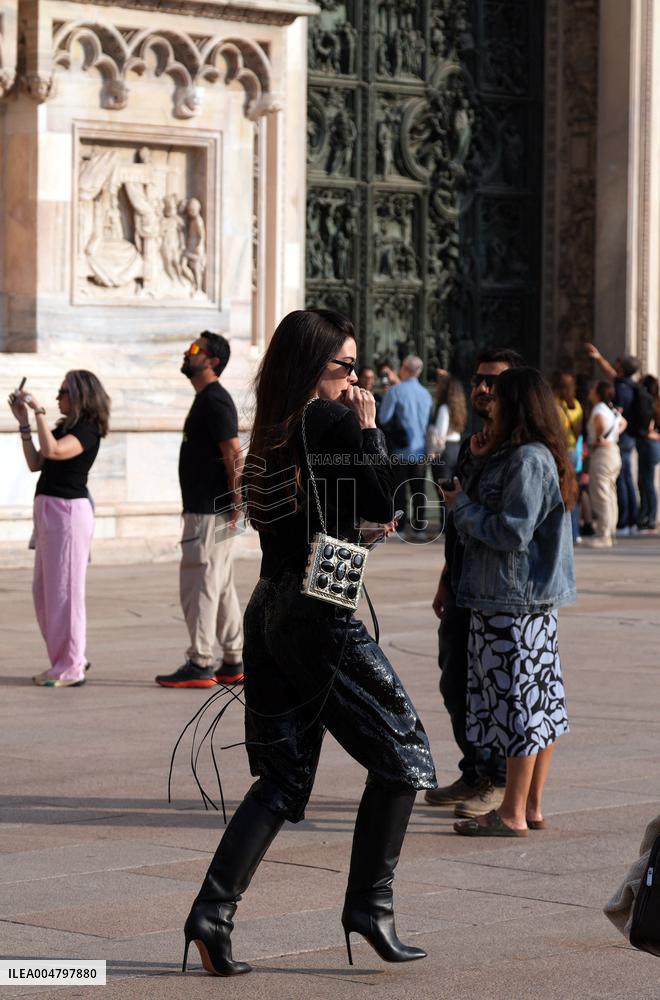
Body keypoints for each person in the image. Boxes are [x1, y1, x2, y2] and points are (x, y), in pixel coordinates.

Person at [181, 309, 436, 977]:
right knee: (404, 751)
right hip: (321, 612)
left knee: (283, 777)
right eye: (343, 366)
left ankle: (214, 910)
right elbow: (385, 498)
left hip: (274, 609)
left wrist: (356, 524)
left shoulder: (273, 425)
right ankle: (368, 906)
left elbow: (315, 519)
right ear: (311, 368)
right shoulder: (328, 419)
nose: (356, 378)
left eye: (357, 367)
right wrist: (371, 427)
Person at [443, 367, 576, 836]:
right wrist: (477, 463)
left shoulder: (528, 460)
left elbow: (512, 531)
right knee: (540, 702)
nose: (489, 404)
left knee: (519, 706)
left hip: (511, 602)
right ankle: (531, 806)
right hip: (519, 601)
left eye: (497, 398)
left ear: (517, 405)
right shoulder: (522, 456)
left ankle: (511, 812)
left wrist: (460, 505)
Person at [427, 348, 523, 818]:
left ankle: (501, 781)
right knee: (456, 682)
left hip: (501, 590)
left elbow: (508, 526)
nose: (483, 389)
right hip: (465, 583)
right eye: (479, 380)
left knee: (498, 689)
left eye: (495, 382)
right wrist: (446, 578)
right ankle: (475, 770)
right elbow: (456, 523)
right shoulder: (472, 446)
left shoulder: (520, 453)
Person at [8, 371, 111, 687]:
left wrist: (37, 410)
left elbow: (54, 451)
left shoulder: (88, 429)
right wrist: (24, 421)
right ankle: (69, 656)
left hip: (68, 514)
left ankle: (70, 667)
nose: (57, 397)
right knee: (44, 594)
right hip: (50, 513)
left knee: (65, 593)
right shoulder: (64, 427)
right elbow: (36, 461)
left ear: (80, 395)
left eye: (63, 391)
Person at [156, 332, 244, 689]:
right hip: (212, 510)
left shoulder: (214, 401)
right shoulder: (208, 399)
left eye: (195, 350)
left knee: (200, 582)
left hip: (209, 512)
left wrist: (238, 500)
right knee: (220, 584)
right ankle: (233, 658)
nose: (187, 353)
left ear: (211, 361)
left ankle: (200, 661)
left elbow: (234, 452)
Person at [584, 344, 648, 534]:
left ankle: (626, 522)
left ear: (621, 368)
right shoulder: (628, 384)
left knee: (621, 482)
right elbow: (610, 371)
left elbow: (618, 418)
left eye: (617, 363)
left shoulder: (621, 390)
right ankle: (627, 522)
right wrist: (598, 357)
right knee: (620, 481)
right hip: (623, 440)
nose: (614, 365)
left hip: (619, 442)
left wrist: (603, 436)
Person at [377, 354, 433, 538]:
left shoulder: (396, 391)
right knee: (419, 490)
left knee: (399, 490)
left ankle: (400, 528)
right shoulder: (426, 394)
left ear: (405, 369)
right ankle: (420, 529)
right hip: (420, 450)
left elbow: (384, 418)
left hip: (400, 450)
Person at [583, 381, 627, 548]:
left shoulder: (599, 409)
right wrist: (613, 434)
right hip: (614, 451)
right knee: (610, 492)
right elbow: (624, 423)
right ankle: (610, 531)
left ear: (598, 393)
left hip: (602, 454)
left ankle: (603, 534)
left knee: (601, 493)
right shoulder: (612, 409)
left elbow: (600, 424)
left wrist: (599, 438)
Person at [552, 372, 584, 544]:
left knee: (560, 493)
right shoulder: (577, 405)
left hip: (560, 452)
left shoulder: (555, 405)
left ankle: (564, 533)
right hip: (573, 452)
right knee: (572, 491)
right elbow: (578, 430)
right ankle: (575, 532)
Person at [428, 373, 468, 488]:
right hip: (456, 448)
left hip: (445, 451)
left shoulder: (444, 409)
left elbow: (440, 435)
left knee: (443, 492)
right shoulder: (458, 407)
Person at [637, 374, 660, 531]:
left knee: (648, 482)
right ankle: (647, 515)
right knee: (646, 482)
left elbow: (647, 427)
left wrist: (649, 433)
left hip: (650, 445)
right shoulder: (654, 402)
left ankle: (650, 516)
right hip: (652, 445)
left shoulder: (649, 403)